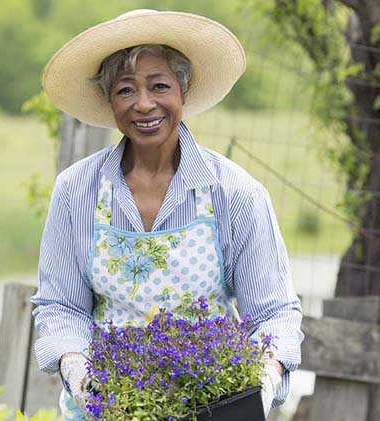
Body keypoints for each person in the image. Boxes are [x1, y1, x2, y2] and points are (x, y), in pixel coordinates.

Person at [30, 9, 304, 420]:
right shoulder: (76, 191)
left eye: (159, 86)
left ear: (184, 90)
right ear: (109, 100)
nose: (144, 104)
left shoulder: (235, 192)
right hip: (107, 407)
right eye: (125, 90)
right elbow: (61, 306)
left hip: (212, 406)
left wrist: (261, 381)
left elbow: (272, 314)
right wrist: (78, 371)